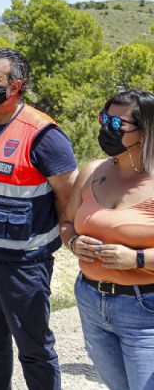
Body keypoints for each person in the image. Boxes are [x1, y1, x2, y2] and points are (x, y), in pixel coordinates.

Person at [0, 48, 78, 389]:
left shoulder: (43, 134)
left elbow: (69, 192)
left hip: (23, 264)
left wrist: (66, 228)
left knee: (34, 348)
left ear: (16, 86)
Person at [62, 89, 154, 390]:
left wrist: (137, 259)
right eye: (105, 118)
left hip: (145, 310)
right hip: (91, 301)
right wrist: (75, 243)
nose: (107, 128)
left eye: (118, 124)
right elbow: (66, 223)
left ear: (147, 129)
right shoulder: (91, 172)